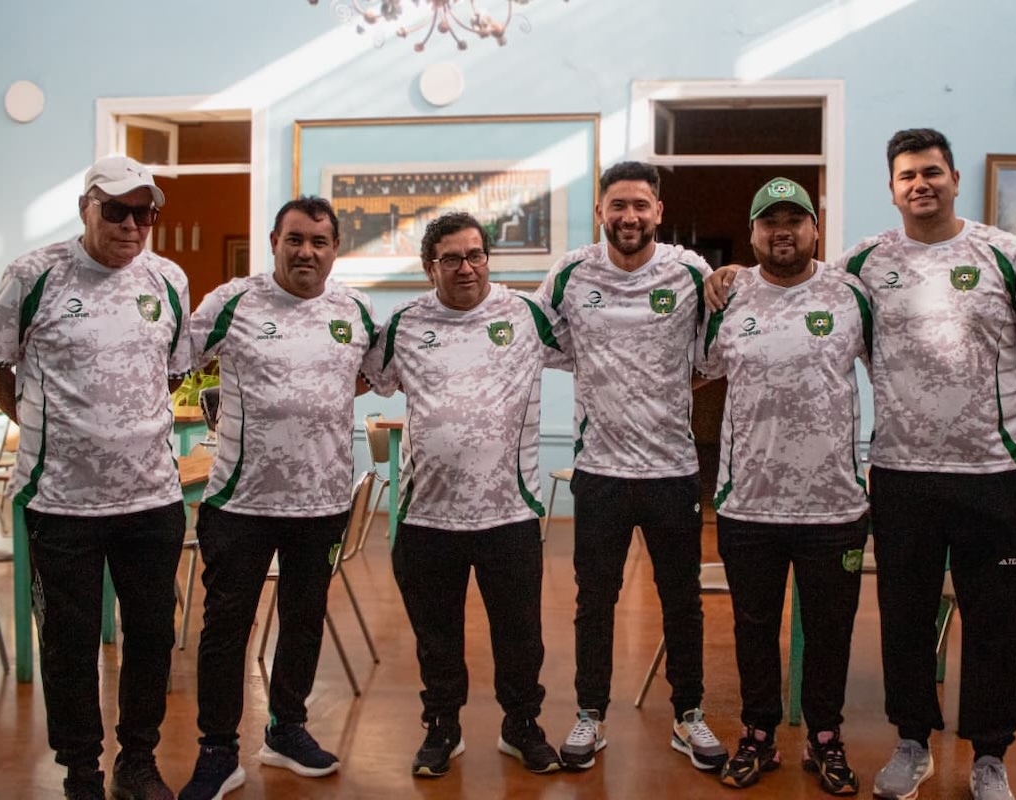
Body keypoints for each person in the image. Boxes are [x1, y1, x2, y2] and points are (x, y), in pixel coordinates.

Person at [706, 128, 1016, 800]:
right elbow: (794, 284)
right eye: (907, 176)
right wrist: (730, 274)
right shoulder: (864, 265)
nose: (920, 184)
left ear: (954, 178)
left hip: (995, 475)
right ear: (893, 189)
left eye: (931, 172)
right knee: (905, 622)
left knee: (996, 625)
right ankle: (911, 746)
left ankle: (990, 758)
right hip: (901, 474)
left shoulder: (1005, 253)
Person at [0, 155, 189, 800]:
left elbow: (173, 371)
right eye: (116, 210)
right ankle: (82, 772)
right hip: (61, 502)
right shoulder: (34, 275)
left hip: (152, 497)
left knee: (151, 636)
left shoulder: (167, 278)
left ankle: (138, 762)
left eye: (144, 213)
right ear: (85, 208)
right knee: (68, 644)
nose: (131, 225)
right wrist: (44, 424)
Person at [176, 197, 377, 800]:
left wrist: (313, 398)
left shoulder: (356, 309)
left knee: (304, 621)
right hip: (240, 502)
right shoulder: (233, 301)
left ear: (335, 249)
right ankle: (217, 750)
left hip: (321, 501)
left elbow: (368, 372)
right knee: (226, 628)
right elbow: (179, 360)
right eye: (295, 240)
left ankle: (286, 730)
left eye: (319, 241)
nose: (306, 252)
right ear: (274, 242)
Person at [535, 161, 727, 773]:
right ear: (600, 211)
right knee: (595, 601)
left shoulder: (690, 272)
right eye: (618, 205)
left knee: (683, 602)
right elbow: (537, 338)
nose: (629, 216)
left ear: (658, 212)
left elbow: (712, 355)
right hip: (600, 471)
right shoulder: (570, 273)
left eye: (641, 205)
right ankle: (590, 714)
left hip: (673, 470)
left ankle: (689, 714)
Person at [362, 211, 564, 779]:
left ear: (487, 259)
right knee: (436, 638)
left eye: (475, 255)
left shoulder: (526, 315)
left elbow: (600, 352)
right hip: (427, 517)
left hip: (509, 512)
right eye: (450, 258)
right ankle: (441, 728)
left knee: (521, 636)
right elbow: (365, 376)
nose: (466, 267)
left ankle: (521, 726)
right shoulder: (404, 324)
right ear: (430, 267)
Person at [697, 178, 870, 794]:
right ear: (752, 234)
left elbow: (894, 369)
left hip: (835, 505)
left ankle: (825, 739)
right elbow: (693, 371)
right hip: (749, 504)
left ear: (815, 229)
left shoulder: (851, 293)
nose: (782, 231)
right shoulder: (728, 296)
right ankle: (758, 735)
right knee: (753, 630)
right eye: (769, 221)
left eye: (794, 220)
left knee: (829, 631)